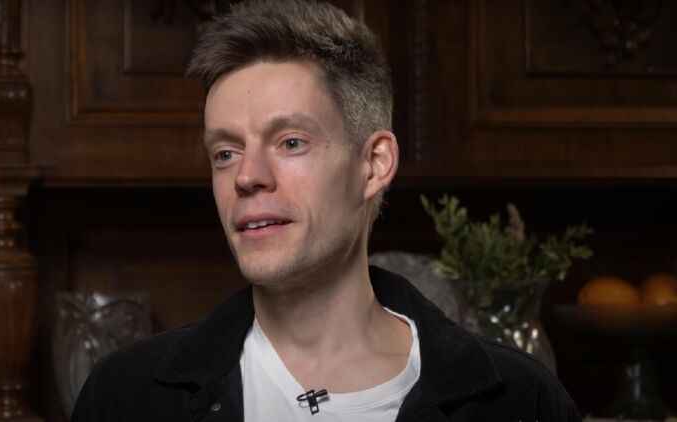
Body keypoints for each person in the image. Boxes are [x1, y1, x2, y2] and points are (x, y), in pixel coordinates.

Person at [71, 0, 581, 420]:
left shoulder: (521, 401)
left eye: (291, 142)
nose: (247, 176)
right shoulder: (125, 396)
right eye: (225, 152)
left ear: (374, 164)